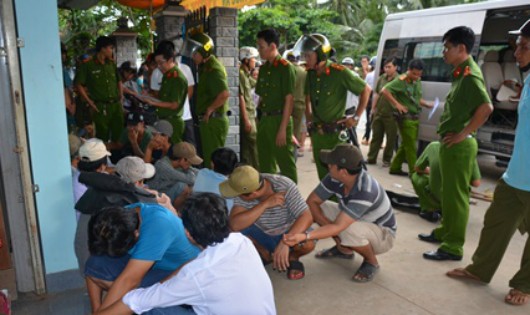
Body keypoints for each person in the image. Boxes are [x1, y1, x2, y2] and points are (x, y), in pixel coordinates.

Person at [446, 19, 530, 306]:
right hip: (516, 174)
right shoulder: (529, 79)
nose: (516, 52)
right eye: (518, 45)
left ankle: (524, 285)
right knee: (495, 223)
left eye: (524, 47)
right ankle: (480, 270)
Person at [93, 193, 276, 315]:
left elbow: (136, 301)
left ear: (188, 233)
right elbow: (191, 267)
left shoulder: (196, 276)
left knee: (153, 308)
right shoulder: (241, 242)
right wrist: (163, 285)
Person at [419, 26, 493, 261]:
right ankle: (444, 232)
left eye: (447, 47)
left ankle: (453, 247)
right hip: (451, 144)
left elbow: (486, 107)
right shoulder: (461, 72)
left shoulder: (470, 76)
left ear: (461, 48)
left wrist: (463, 134)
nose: (443, 52)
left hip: (459, 146)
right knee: (447, 194)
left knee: (456, 197)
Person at [284, 144, 396, 283]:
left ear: (342, 171)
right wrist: (336, 234)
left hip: (382, 234)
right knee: (318, 208)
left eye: (331, 164)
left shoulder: (365, 190)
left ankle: (371, 261)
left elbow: (339, 226)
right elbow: (311, 201)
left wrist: (305, 236)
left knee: (346, 228)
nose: (328, 166)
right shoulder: (334, 177)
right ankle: (344, 249)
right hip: (355, 221)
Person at [84, 202, 200, 312]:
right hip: (150, 263)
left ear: (136, 234)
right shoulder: (123, 216)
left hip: (176, 272)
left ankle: (124, 308)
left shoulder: (158, 225)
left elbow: (129, 281)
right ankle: (111, 309)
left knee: (135, 292)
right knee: (94, 263)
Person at [294, 33, 371, 179]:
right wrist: (309, 118)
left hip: (335, 135)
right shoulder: (310, 74)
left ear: (321, 55)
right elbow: (307, 97)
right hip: (317, 135)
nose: (306, 59)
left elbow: (366, 90)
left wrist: (355, 118)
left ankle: (337, 202)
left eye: (309, 56)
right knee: (323, 176)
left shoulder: (339, 72)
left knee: (337, 176)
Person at [220, 165, 315, 280]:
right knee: (230, 231)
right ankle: (265, 253)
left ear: (253, 193)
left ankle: (292, 257)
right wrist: (265, 204)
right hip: (262, 234)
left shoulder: (284, 185)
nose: (236, 196)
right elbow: (234, 225)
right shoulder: (245, 188)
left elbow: (307, 216)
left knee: (307, 242)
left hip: (288, 231)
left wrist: (285, 242)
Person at [255, 29, 298, 182]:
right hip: (265, 120)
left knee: (286, 164)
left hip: (280, 119)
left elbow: (289, 99)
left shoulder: (286, 68)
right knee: (265, 164)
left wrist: (283, 128)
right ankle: (270, 198)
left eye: (261, 46)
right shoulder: (264, 68)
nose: (259, 50)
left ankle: (293, 201)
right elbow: (260, 98)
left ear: (273, 46)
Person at [182, 32, 230, 167]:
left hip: (213, 122)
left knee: (213, 160)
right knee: (209, 158)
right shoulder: (204, 67)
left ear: (204, 52)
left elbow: (224, 93)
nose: (193, 56)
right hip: (209, 121)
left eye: (195, 53)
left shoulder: (213, 69)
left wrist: (210, 109)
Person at [383, 59, 433, 176]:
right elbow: (384, 90)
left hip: (415, 118)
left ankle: (395, 167)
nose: (417, 76)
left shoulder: (417, 81)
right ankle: (414, 172)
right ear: (408, 70)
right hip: (406, 118)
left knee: (406, 144)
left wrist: (425, 104)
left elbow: (416, 98)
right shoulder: (401, 81)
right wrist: (397, 104)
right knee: (411, 147)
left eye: (419, 74)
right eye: (414, 74)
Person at [411, 141, 481, 223]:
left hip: (436, 196)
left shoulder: (434, 146)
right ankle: (452, 211)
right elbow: (476, 183)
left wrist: (433, 171)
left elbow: (417, 168)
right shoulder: (469, 151)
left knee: (416, 176)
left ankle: (430, 209)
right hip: (458, 200)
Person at [75, 36, 124, 142]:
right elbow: (79, 85)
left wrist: (121, 96)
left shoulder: (111, 64)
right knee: (102, 137)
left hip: (116, 105)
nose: (112, 51)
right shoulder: (88, 65)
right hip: (100, 106)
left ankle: (116, 157)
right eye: (110, 48)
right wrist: (90, 102)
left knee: (119, 135)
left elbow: (118, 80)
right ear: (102, 48)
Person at [141, 41, 188, 144]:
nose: (158, 66)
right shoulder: (167, 76)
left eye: (161, 62)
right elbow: (163, 97)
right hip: (164, 119)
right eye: (156, 63)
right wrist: (149, 95)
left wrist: (153, 103)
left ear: (170, 60)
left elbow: (174, 105)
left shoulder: (177, 78)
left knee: (173, 153)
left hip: (173, 122)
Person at [147, 141, 202, 209]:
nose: (190, 164)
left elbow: (199, 173)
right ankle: (175, 213)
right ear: (182, 159)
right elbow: (191, 179)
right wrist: (189, 170)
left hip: (165, 191)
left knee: (189, 186)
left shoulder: (178, 165)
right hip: (154, 198)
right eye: (189, 162)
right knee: (183, 186)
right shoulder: (163, 166)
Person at [367, 57, 400, 167]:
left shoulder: (400, 80)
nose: (387, 69)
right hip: (379, 112)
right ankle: (371, 158)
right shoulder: (381, 78)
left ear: (395, 67)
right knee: (376, 136)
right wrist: (373, 108)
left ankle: (387, 160)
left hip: (392, 115)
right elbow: (376, 94)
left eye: (389, 67)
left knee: (390, 138)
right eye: (385, 67)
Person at [193, 147, 238, 213]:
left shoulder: (202, 173)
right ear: (235, 166)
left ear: (212, 164)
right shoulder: (233, 189)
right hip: (218, 220)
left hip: (195, 214)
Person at [239, 46, 260, 168]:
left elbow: (257, 84)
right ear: (246, 60)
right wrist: (246, 119)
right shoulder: (241, 74)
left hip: (252, 114)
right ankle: (258, 173)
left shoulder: (246, 74)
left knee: (247, 148)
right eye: (253, 59)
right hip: (248, 115)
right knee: (254, 146)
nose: (255, 61)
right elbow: (241, 97)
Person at [287, 51, 308, 158]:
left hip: (286, 104)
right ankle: (293, 154)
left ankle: (285, 153)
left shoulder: (285, 70)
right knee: (296, 130)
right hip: (300, 104)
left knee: (285, 129)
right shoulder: (304, 72)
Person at [361, 56, 377, 145]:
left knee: (369, 119)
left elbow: (365, 87)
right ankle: (378, 141)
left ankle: (367, 138)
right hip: (380, 100)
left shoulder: (369, 75)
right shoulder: (383, 76)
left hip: (370, 99)